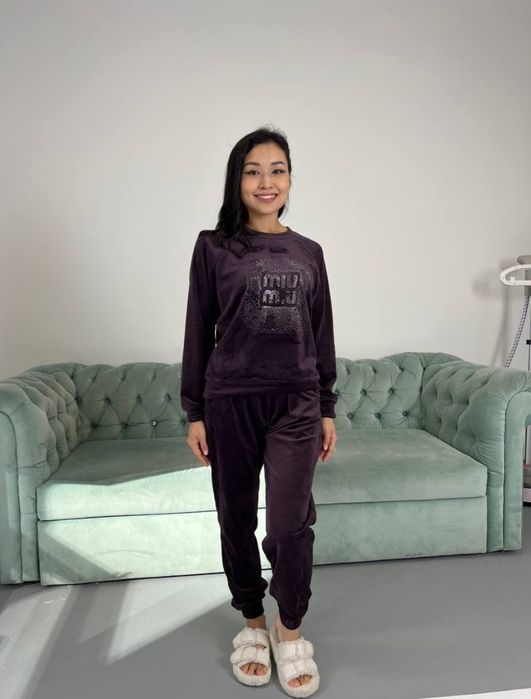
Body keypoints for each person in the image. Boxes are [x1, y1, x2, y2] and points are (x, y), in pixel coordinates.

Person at [180, 126, 337, 697]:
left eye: (277, 170)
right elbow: (198, 329)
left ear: (290, 178)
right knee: (236, 517)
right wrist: (194, 411)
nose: (266, 181)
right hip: (230, 402)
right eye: (253, 171)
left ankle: (289, 628)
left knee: (290, 526)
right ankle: (251, 621)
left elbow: (321, 333)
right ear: (237, 180)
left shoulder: (309, 252)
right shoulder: (213, 247)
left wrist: (326, 406)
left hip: (296, 402)